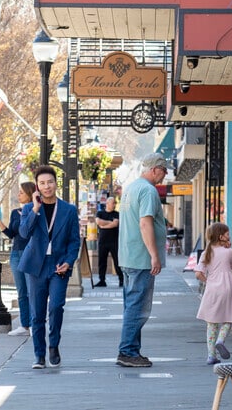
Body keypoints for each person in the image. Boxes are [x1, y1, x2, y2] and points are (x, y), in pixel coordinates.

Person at [18, 166, 80, 369]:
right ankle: (39, 355)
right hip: (36, 266)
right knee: (37, 313)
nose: (47, 186)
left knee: (56, 307)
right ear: (37, 186)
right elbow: (24, 233)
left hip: (58, 265)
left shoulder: (69, 210)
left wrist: (69, 262)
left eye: (50, 182)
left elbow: (74, 241)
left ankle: (54, 345)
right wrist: (35, 209)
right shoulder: (29, 209)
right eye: (42, 183)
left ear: (56, 183)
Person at [116, 153, 168, 368]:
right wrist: (154, 255)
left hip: (128, 256)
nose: (164, 176)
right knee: (138, 308)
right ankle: (127, 351)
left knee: (131, 305)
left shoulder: (131, 188)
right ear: (155, 169)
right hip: (140, 259)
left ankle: (131, 350)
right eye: (163, 171)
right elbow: (145, 223)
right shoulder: (148, 191)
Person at [0, 181, 36, 337]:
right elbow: (11, 234)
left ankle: (36, 324)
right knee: (22, 291)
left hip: (30, 253)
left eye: (21, 192)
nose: (18, 195)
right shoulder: (15, 212)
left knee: (32, 291)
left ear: (30, 194)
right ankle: (24, 325)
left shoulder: (35, 210)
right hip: (16, 253)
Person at [194, 222, 232, 365]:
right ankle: (221, 340)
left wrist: (208, 281)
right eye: (227, 234)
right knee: (228, 318)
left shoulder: (206, 253)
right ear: (221, 236)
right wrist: (229, 247)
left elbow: (198, 274)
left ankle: (211, 356)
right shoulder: (228, 252)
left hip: (212, 288)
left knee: (211, 323)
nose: (229, 236)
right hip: (227, 287)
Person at [95, 197, 122, 287]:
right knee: (102, 261)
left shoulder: (116, 214)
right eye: (113, 203)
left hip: (114, 241)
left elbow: (115, 224)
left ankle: (121, 280)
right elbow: (98, 221)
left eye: (115, 203)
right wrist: (109, 222)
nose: (114, 205)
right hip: (103, 241)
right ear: (107, 203)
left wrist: (104, 226)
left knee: (117, 261)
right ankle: (102, 280)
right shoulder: (100, 213)